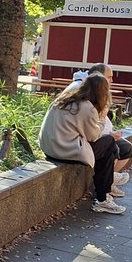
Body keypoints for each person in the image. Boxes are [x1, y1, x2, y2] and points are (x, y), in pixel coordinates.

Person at [39, 74, 125, 214]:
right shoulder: (87, 107)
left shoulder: (64, 99)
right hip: (66, 152)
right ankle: (103, 198)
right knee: (109, 143)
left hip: (49, 148)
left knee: (110, 147)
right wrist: (102, 116)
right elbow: (93, 136)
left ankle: (108, 183)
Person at [66, 63, 132, 194]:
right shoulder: (84, 96)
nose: (111, 81)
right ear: (98, 77)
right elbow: (93, 133)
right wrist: (108, 132)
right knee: (111, 146)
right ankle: (103, 194)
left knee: (121, 146)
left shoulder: (81, 92)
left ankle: (108, 183)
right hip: (71, 144)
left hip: (68, 141)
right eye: (109, 77)